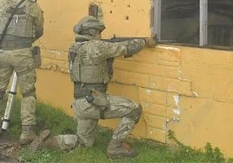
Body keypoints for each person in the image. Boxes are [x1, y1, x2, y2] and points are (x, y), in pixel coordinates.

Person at [30, 15, 157, 158]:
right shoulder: (96, 46)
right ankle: (115, 148)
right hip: (94, 103)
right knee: (134, 110)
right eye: (99, 32)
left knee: (84, 142)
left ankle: (51, 141)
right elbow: (127, 47)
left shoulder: (74, 48)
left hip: (80, 103)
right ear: (92, 32)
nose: (100, 36)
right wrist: (146, 41)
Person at [0, 0, 44, 145]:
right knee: (28, 92)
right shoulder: (33, 6)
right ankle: (27, 132)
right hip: (23, 54)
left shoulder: (1, 2)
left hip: (2, 52)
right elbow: (39, 31)